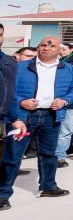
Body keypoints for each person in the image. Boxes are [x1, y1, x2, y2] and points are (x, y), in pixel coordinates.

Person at [0, 36, 73, 211]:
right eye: (43, 44)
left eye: (52, 45)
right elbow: (6, 90)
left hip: (51, 117)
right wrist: (21, 101)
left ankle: (48, 186)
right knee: (12, 157)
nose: (47, 47)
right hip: (22, 117)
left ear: (60, 50)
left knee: (48, 154)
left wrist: (65, 101)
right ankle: (2, 194)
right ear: (38, 48)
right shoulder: (19, 67)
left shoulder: (69, 69)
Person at [0, 24, 29, 192]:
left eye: (1, 34)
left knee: (5, 159)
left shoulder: (7, 62)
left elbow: (10, 93)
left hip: (4, 119)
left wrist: (16, 117)